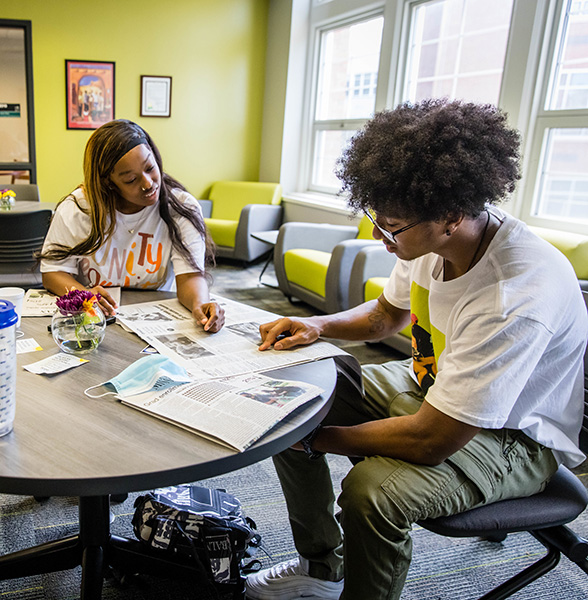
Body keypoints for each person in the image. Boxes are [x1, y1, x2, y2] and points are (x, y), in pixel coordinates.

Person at [246, 99, 587, 600]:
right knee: (297, 393)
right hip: (432, 386)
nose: (383, 239)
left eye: (394, 227)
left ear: (450, 215)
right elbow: (387, 316)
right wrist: (315, 326)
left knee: (371, 494)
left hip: (511, 434)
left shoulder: (513, 294)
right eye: (378, 221)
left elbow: (433, 438)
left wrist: (316, 440)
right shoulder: (426, 240)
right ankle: (321, 566)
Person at [39, 119, 224, 332]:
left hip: (157, 323)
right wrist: (84, 296)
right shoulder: (79, 209)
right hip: (95, 323)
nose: (148, 183)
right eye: (130, 180)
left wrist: (200, 305)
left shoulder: (181, 207)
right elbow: (53, 272)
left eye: (150, 167)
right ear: (109, 183)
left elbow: (190, 277)